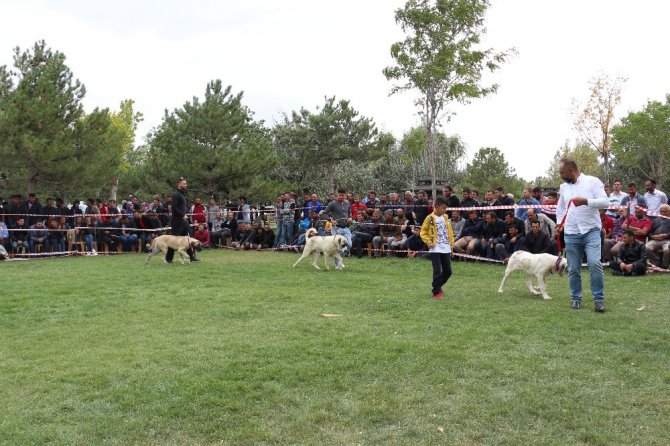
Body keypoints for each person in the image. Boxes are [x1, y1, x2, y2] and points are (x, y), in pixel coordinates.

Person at [555, 159, 609, 312]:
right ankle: (575, 298)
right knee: (573, 268)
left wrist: (586, 201)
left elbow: (605, 202)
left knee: (594, 263)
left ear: (571, 170)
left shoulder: (592, 182)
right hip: (571, 232)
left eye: (562, 173)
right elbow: (561, 208)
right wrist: (560, 224)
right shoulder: (564, 187)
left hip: (591, 230)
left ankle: (598, 299)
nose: (560, 176)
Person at [420, 196, 455, 300]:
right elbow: (423, 232)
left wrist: (451, 246)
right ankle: (436, 292)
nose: (445, 210)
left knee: (448, 271)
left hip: (446, 248)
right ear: (436, 207)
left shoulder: (445, 217)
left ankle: (437, 285)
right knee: (437, 271)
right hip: (435, 248)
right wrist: (428, 241)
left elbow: (449, 232)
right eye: (444, 208)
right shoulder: (429, 218)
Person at [166, 177, 200, 263]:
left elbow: (181, 207)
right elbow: (174, 207)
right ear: (179, 184)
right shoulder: (176, 194)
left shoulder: (182, 194)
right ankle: (168, 259)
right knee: (173, 240)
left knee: (189, 239)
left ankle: (191, 257)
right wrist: (182, 215)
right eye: (184, 183)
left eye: (186, 183)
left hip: (183, 221)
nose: (186, 185)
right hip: (177, 221)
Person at [645, 204, 670, 268]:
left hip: (667, 240)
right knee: (646, 247)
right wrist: (652, 236)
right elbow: (649, 232)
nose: (663, 213)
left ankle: (664, 266)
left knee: (668, 250)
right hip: (655, 240)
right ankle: (656, 263)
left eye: (665, 211)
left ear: (669, 211)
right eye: (661, 211)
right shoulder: (655, 220)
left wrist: (667, 235)